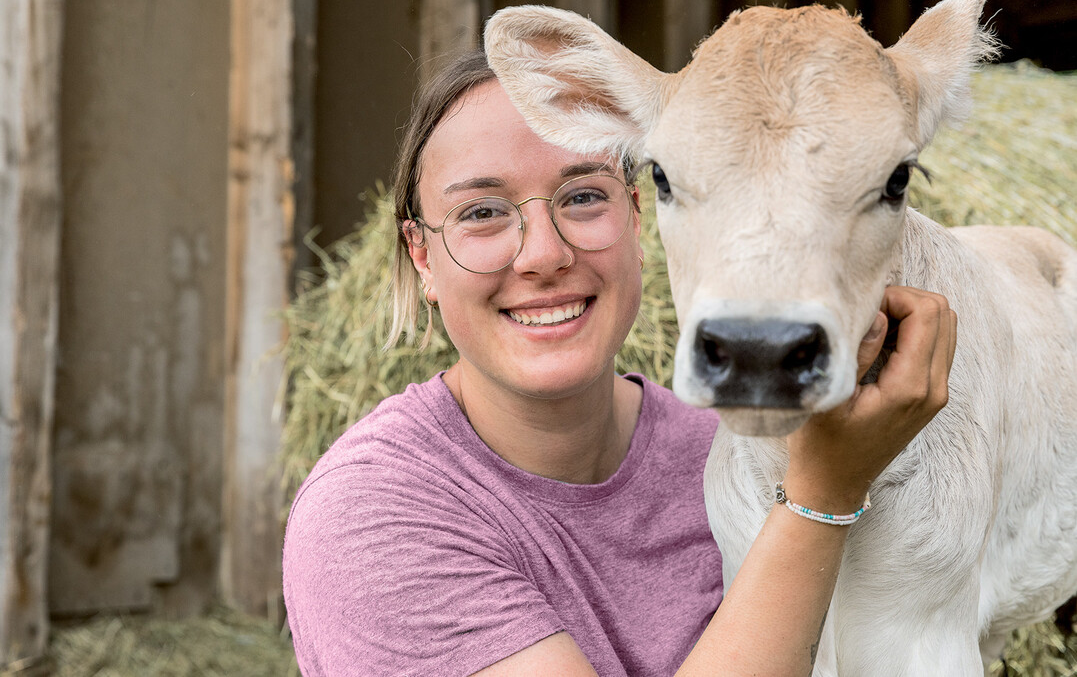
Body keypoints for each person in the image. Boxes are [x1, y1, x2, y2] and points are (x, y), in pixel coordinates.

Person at [282, 49, 957, 676]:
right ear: (421, 257)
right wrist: (822, 497)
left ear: (638, 219)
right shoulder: (369, 520)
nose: (543, 254)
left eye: (582, 197)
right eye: (481, 213)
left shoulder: (729, 459)